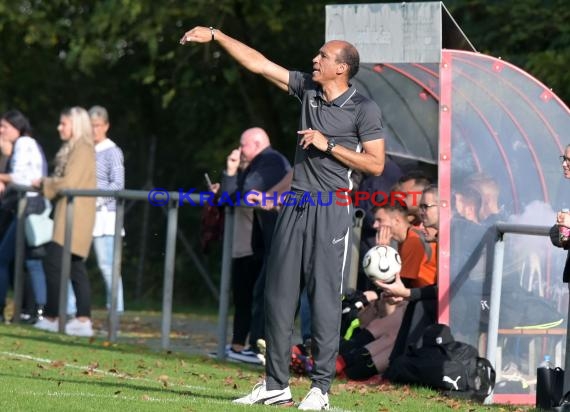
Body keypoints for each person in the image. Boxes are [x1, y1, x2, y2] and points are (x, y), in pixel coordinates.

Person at [180, 27, 385, 409]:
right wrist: (218, 35)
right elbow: (259, 64)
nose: (315, 59)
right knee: (276, 295)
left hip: (332, 208)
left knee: (323, 298)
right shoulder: (307, 87)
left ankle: (320, 389)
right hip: (295, 203)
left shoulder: (364, 108)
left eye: (323, 56)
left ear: (341, 68)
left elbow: (376, 163)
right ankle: (276, 384)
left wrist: (330, 144)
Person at [221, 127, 291, 364]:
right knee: (254, 293)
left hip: (274, 240)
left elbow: (243, 194)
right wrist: (232, 177)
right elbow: (231, 196)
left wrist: (232, 174)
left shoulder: (270, 162)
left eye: (243, 145)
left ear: (258, 142)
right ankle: (249, 347)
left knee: (265, 293)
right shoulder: (260, 163)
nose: (240, 151)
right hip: (266, 241)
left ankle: (259, 348)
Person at [32, 107, 96, 337]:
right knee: (75, 267)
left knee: (54, 262)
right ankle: (82, 317)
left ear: (75, 125)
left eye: (64, 123)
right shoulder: (75, 148)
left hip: (75, 215)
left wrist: (44, 183)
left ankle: (53, 315)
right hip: (69, 213)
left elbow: (70, 182)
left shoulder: (83, 149)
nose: (59, 128)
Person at [0, 110, 49, 323]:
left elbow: (21, 177)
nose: (2, 131)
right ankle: (37, 310)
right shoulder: (27, 144)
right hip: (31, 203)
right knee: (31, 260)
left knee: (3, 258)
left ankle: (5, 309)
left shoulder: (23, 144)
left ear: (17, 127)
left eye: (5, 127)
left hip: (27, 205)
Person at [89, 105, 125, 317]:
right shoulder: (85, 149)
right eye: (91, 126)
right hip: (86, 214)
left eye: (98, 126)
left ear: (106, 126)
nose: (94, 130)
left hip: (105, 216)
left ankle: (116, 310)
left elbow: (117, 185)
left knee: (107, 266)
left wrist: (96, 199)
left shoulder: (113, 151)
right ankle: (71, 309)